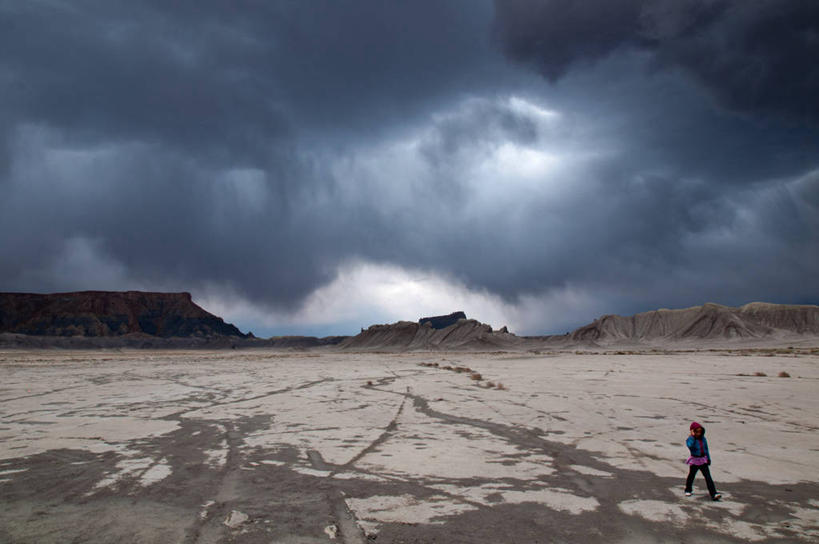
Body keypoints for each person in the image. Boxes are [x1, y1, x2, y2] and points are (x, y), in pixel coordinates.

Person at [684, 421, 721, 500]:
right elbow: (689, 446)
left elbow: (706, 449)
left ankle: (714, 493)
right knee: (691, 475)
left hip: (703, 460)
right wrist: (692, 437)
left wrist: (708, 458)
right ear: (693, 431)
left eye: (700, 432)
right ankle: (688, 489)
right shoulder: (690, 439)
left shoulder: (703, 439)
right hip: (695, 460)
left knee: (708, 477)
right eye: (697, 432)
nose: (699, 433)